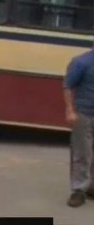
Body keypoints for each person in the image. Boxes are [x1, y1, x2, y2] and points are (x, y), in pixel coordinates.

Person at [63, 44, 94, 207]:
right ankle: (78, 190)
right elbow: (68, 86)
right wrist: (70, 110)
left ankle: (91, 187)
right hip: (84, 114)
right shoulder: (82, 62)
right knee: (82, 153)